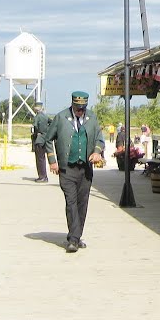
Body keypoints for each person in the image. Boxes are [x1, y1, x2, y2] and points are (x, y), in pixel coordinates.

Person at [43, 91, 105, 253]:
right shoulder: (61, 117)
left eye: (82, 108)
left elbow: (99, 138)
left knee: (82, 204)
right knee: (71, 202)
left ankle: (76, 236)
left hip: (85, 169)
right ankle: (73, 239)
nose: (80, 111)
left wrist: (97, 151)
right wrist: (52, 161)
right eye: (78, 108)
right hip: (67, 169)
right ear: (72, 105)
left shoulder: (92, 118)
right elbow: (48, 139)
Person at [30, 100, 52, 183]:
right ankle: (44, 176)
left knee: (39, 159)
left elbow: (35, 127)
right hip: (45, 138)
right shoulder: (45, 116)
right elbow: (52, 123)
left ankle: (42, 176)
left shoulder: (37, 117)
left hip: (39, 140)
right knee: (43, 158)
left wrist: (37, 133)